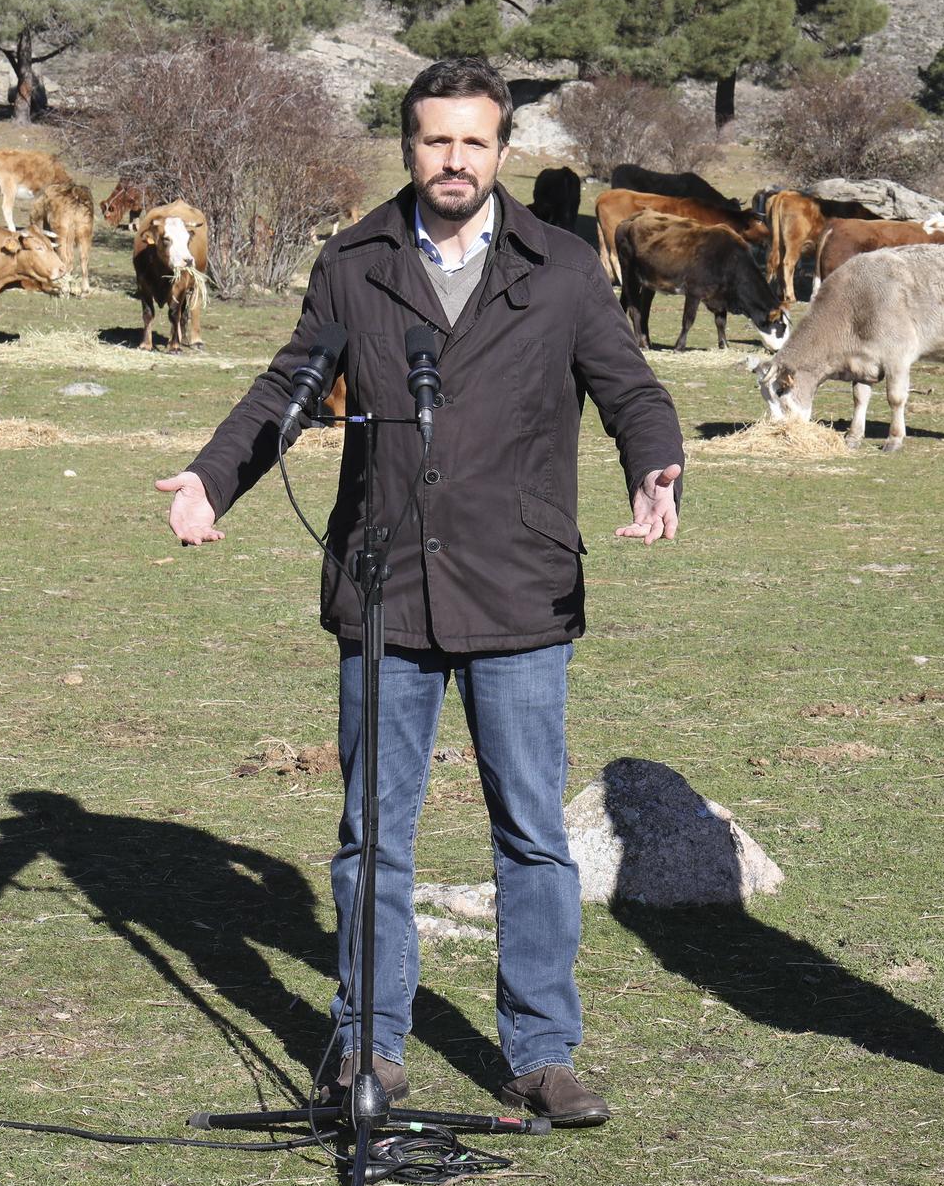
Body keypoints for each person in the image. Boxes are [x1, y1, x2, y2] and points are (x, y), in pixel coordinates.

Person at [157, 58, 685, 1127]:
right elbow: (288, 384)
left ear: (501, 150)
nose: (454, 160)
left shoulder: (563, 263)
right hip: (385, 582)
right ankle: (367, 1045)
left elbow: (626, 382)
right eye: (435, 141)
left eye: (473, 143)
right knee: (370, 834)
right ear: (408, 146)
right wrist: (214, 478)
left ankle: (540, 1052)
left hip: (519, 585)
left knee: (531, 831)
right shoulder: (354, 261)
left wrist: (655, 458)